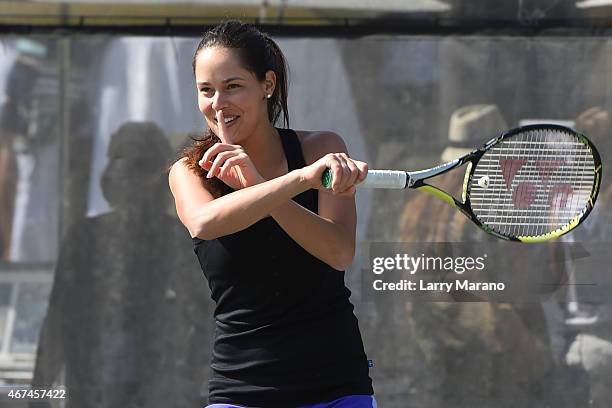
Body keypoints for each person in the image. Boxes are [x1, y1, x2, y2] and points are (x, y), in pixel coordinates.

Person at [168, 21, 375, 408]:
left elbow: (339, 252)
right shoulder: (188, 171)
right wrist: (296, 181)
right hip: (241, 389)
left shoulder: (321, 148)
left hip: (338, 385)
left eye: (233, 87)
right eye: (206, 90)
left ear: (267, 84)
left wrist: (260, 184)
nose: (218, 104)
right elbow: (205, 222)